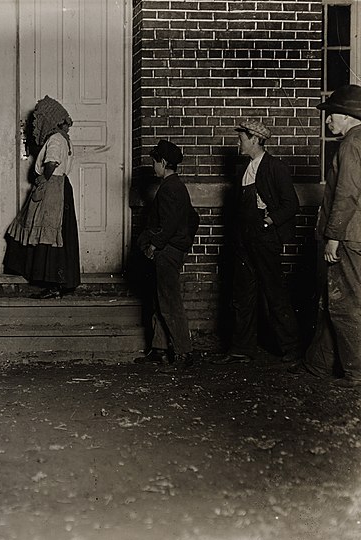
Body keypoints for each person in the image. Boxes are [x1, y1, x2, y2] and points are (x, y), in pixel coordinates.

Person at [213, 121, 301, 365]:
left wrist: (270, 220)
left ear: (254, 139)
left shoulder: (275, 167)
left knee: (275, 294)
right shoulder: (246, 168)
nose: (238, 143)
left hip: (264, 240)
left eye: (241, 138)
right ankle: (241, 348)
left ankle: (292, 349)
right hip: (244, 241)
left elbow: (291, 205)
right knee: (243, 295)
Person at [295, 84, 361, 388]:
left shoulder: (350, 144)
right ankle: (318, 364)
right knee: (330, 299)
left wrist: (333, 236)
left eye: (331, 115)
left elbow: (346, 194)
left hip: (347, 235)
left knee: (344, 302)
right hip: (355, 234)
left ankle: (357, 371)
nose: (327, 121)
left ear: (347, 116)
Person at [4, 95, 80, 299]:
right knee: (56, 233)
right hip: (61, 187)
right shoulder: (64, 137)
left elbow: (52, 162)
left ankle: (54, 284)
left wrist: (42, 180)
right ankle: (59, 281)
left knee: (48, 230)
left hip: (52, 187)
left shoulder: (55, 139)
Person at [134, 140, 200, 367]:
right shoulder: (176, 186)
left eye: (154, 161)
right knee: (159, 298)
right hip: (173, 249)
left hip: (167, 252)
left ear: (162, 162)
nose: (153, 166)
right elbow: (193, 219)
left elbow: (169, 225)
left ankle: (184, 352)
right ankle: (159, 349)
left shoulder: (170, 188)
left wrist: (156, 245)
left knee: (170, 302)